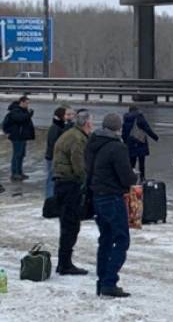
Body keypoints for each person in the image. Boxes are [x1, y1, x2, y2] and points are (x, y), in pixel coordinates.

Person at [85, 113, 137, 298]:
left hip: (97, 196)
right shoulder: (117, 147)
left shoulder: (93, 143)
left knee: (106, 239)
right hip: (113, 197)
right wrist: (134, 176)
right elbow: (126, 176)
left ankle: (102, 281)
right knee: (122, 240)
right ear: (118, 128)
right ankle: (109, 282)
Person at [52, 109, 93, 276]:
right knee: (71, 225)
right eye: (91, 122)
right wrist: (88, 183)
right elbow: (79, 166)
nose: (92, 126)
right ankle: (64, 264)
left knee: (68, 224)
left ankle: (65, 262)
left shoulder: (72, 134)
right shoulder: (77, 139)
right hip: (69, 185)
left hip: (63, 183)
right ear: (87, 124)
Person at [120, 106, 159, 182]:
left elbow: (124, 133)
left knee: (132, 162)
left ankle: (130, 178)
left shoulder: (126, 119)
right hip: (140, 142)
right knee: (141, 162)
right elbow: (147, 128)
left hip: (130, 143)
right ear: (137, 110)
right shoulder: (139, 117)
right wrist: (155, 137)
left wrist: (125, 142)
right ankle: (142, 178)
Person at [3, 95, 35, 182]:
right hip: (16, 136)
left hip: (22, 136)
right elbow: (20, 119)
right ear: (22, 102)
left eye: (28, 103)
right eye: (26, 103)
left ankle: (20, 172)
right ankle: (14, 173)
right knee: (17, 155)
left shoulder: (23, 111)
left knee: (21, 155)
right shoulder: (15, 111)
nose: (28, 105)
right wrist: (29, 114)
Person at [46, 106, 74, 199]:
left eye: (71, 114)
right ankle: (50, 199)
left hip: (57, 157)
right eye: (68, 114)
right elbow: (53, 143)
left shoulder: (63, 126)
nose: (71, 116)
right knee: (52, 179)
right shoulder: (55, 127)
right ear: (62, 116)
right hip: (53, 157)